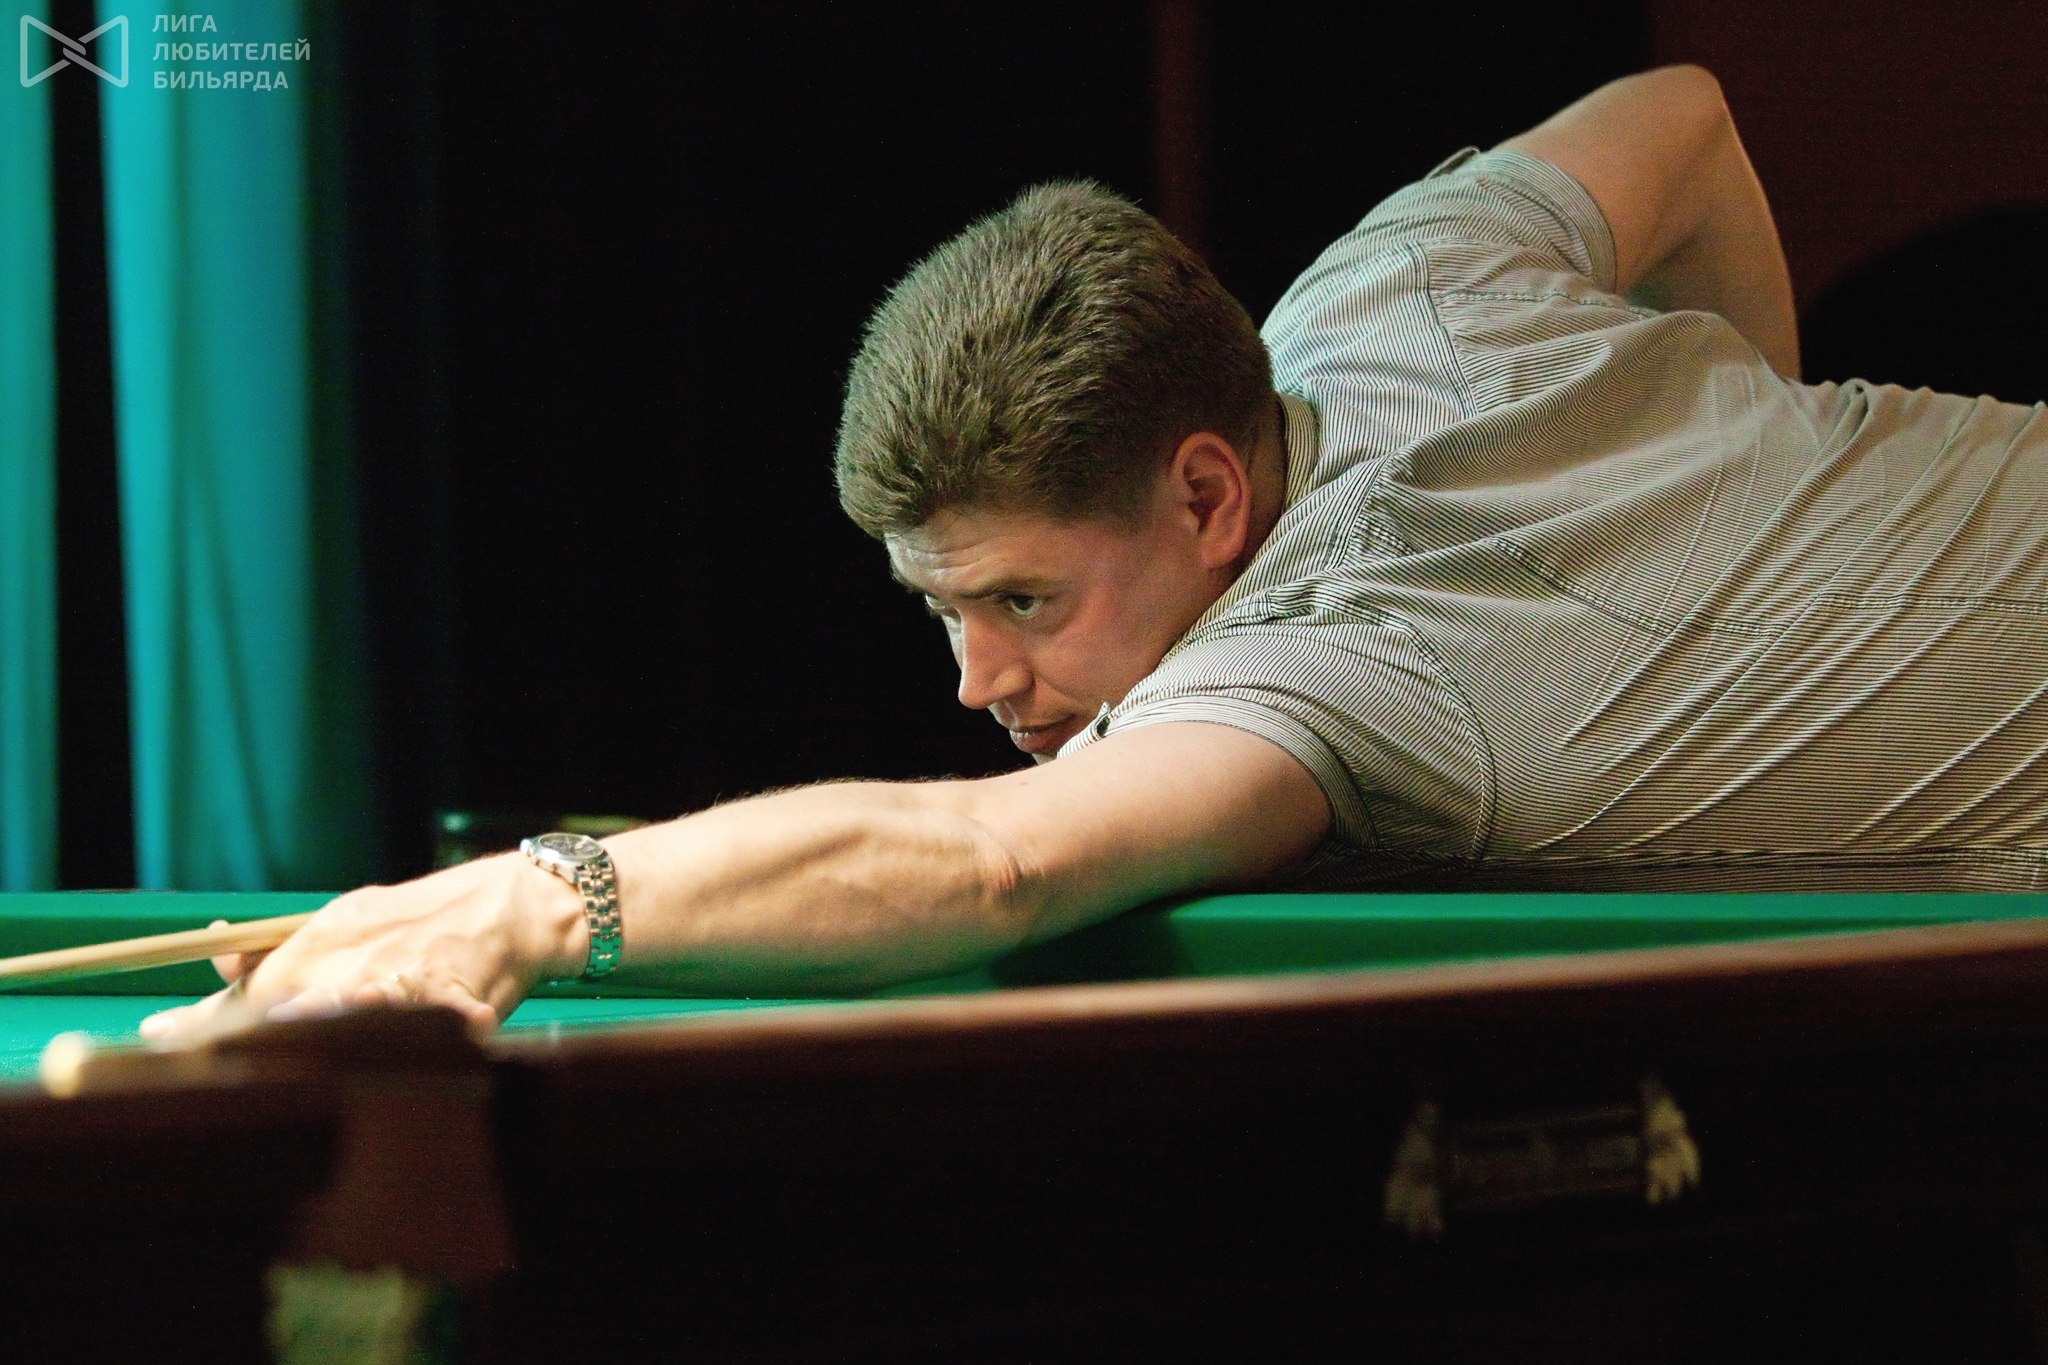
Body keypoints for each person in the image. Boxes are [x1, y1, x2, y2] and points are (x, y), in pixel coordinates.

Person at [144, 65, 2048, 1043]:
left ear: (1209, 498)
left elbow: (991, 863)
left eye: (1024, 600)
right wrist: (1752, 467)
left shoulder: (1321, 671)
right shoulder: (1395, 281)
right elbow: (1683, 123)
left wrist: (538, 901)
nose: (983, 680)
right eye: (944, 609)